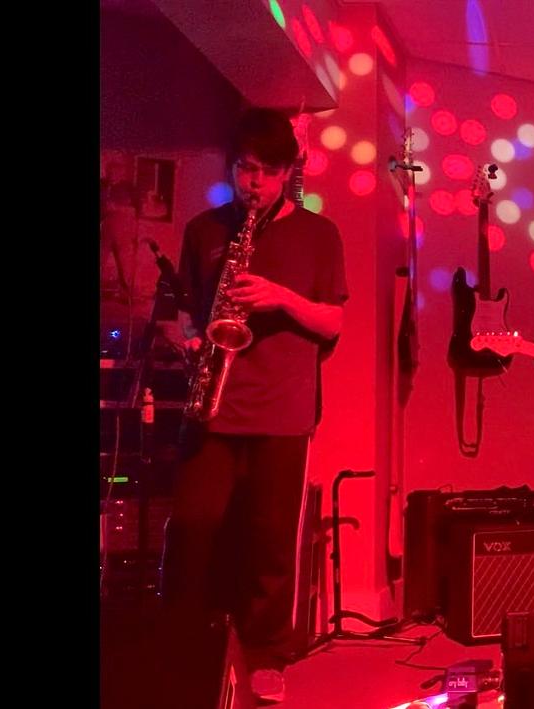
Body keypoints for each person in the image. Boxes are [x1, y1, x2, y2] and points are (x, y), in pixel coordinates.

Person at [161, 107, 347, 703]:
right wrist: (191, 339)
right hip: (213, 406)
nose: (254, 183)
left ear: (288, 172)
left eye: (267, 172)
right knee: (193, 530)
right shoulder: (204, 229)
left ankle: (269, 654)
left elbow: (332, 321)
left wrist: (280, 298)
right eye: (245, 169)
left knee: (270, 541)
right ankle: (189, 646)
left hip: (283, 410)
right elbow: (183, 315)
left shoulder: (320, 233)